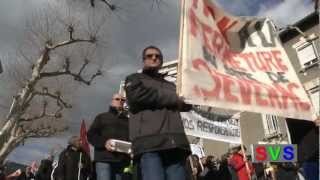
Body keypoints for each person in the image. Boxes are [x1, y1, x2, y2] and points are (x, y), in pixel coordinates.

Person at [124, 45, 192, 180]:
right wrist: (173, 98)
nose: (154, 58)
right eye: (150, 56)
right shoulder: (134, 79)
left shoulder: (173, 85)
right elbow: (136, 97)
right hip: (149, 144)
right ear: (144, 60)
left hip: (175, 143)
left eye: (158, 56)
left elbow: (188, 104)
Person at [87, 93, 130, 180]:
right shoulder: (102, 117)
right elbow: (91, 135)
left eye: (123, 100)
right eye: (117, 99)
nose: (120, 101)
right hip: (104, 159)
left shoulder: (128, 121)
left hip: (122, 161)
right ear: (112, 101)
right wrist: (104, 143)